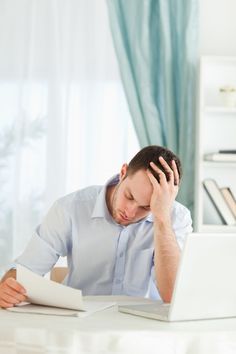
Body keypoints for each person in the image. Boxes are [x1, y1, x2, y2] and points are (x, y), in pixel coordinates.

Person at [0, 145, 192, 308]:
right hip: (80, 324)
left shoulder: (177, 218)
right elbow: (25, 271)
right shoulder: (70, 209)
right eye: (129, 196)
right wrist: (7, 287)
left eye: (146, 207)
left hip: (144, 330)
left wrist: (162, 218)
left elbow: (173, 297)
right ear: (123, 173)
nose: (130, 212)